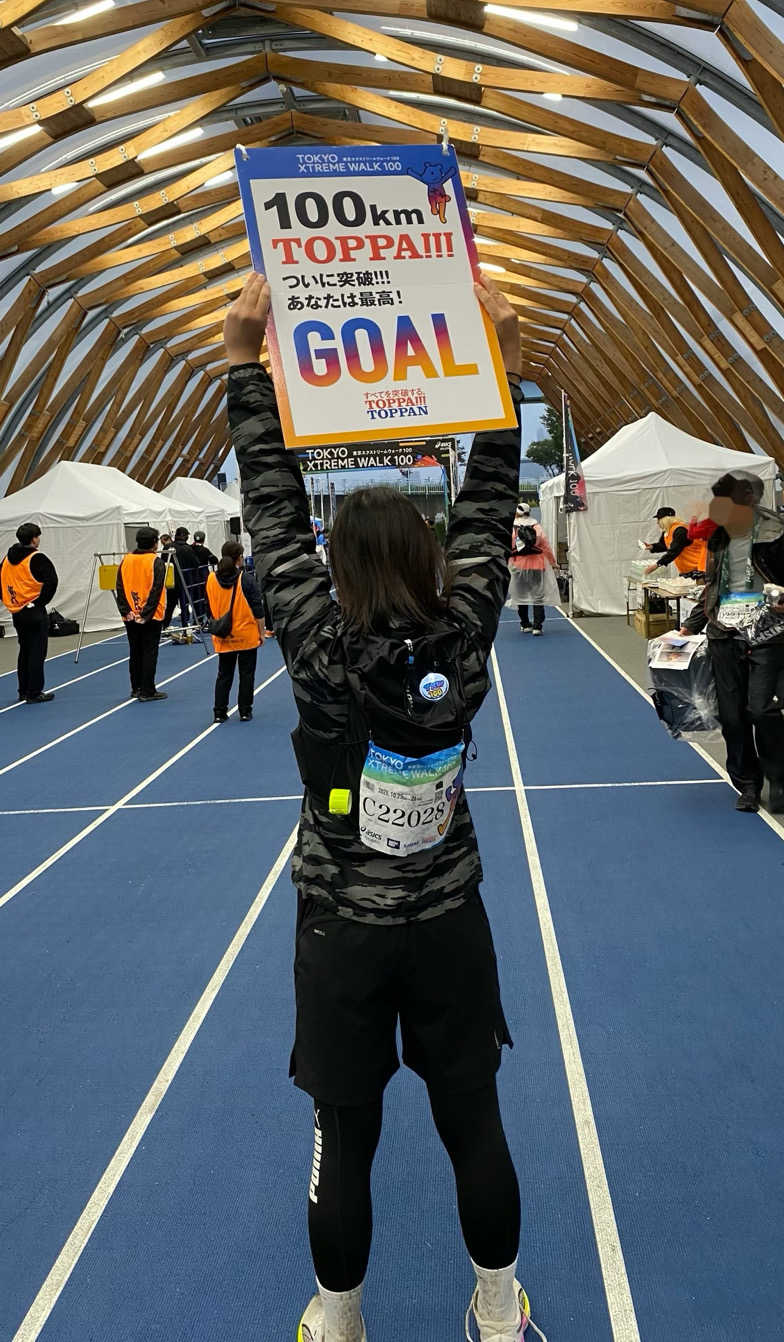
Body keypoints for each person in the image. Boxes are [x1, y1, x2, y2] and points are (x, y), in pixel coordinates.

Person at [224, 272, 542, 1342]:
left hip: (340, 932)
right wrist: (498, 355)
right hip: (448, 921)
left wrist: (241, 357)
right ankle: (495, 1312)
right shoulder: (466, 630)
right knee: (474, 1122)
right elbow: (491, 493)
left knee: (342, 1134)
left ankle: (339, 1316)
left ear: (332, 567)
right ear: (428, 556)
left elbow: (269, 504)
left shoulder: (314, 639)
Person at [681, 471, 784, 814]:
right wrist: (690, 626)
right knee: (732, 716)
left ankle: (778, 778)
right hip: (723, 633)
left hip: (765, 632)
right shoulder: (717, 535)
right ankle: (747, 783)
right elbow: (713, 586)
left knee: (763, 709)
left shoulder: (778, 530)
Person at [206, 539, 267, 722]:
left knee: (224, 674)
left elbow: (209, 605)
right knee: (246, 674)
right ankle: (245, 710)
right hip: (246, 635)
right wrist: (262, 632)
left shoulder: (210, 579)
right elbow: (258, 609)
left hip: (223, 634)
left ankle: (219, 712)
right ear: (239, 558)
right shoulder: (246, 579)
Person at [0, 521, 58, 703]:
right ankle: (34, 691)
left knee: (24, 650)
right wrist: (40, 602)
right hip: (33, 609)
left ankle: (23, 690)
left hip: (16, 610)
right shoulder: (37, 558)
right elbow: (52, 582)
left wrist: (8, 600)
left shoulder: (7, 559)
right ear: (34, 539)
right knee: (37, 652)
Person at [115, 526, 168, 702]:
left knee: (135, 651)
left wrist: (127, 611)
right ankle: (147, 689)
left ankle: (136, 687)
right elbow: (156, 590)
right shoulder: (156, 562)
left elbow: (120, 588)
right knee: (149, 652)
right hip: (151, 616)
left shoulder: (126, 560)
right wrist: (145, 614)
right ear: (154, 543)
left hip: (130, 615)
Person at [508, 503, 558, 636]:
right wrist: (553, 562)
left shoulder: (512, 528)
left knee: (520, 596)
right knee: (538, 596)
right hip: (537, 565)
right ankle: (537, 627)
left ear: (517, 513)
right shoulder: (537, 527)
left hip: (518, 565)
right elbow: (545, 546)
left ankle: (525, 624)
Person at [644, 507, 706, 579]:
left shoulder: (680, 531)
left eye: (658, 520)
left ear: (665, 520)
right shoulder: (668, 531)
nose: (657, 523)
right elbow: (664, 545)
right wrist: (652, 546)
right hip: (687, 570)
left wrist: (657, 565)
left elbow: (674, 551)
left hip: (698, 569)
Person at [167, 526, 201, 632]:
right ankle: (185, 626)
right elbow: (196, 563)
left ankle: (165, 625)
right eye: (186, 535)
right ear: (183, 536)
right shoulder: (187, 548)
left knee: (170, 605)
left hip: (171, 581)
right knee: (184, 604)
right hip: (185, 580)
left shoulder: (168, 547)